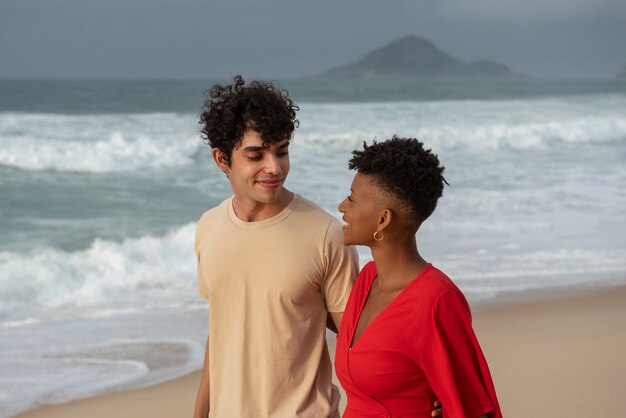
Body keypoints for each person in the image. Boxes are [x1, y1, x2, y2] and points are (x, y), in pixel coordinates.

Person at [192, 75, 359, 418]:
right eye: (256, 155)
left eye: (281, 152)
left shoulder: (325, 233)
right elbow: (222, 330)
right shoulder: (209, 227)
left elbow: (358, 339)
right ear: (222, 160)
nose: (274, 167)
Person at [335, 137, 502, 417]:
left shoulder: (436, 302)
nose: (342, 206)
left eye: (352, 198)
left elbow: (475, 408)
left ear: (383, 220)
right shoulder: (367, 280)